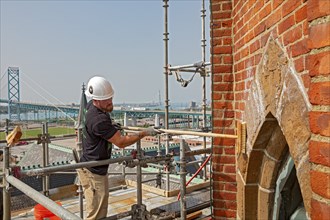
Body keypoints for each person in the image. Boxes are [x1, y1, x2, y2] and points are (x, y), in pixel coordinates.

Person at [77, 76, 159, 220]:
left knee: (98, 210)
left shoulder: (91, 107)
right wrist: (144, 133)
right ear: (96, 99)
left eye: (111, 97)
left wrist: (112, 128)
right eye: (106, 99)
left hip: (90, 167)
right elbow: (120, 142)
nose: (110, 102)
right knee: (96, 214)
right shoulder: (98, 119)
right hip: (94, 172)